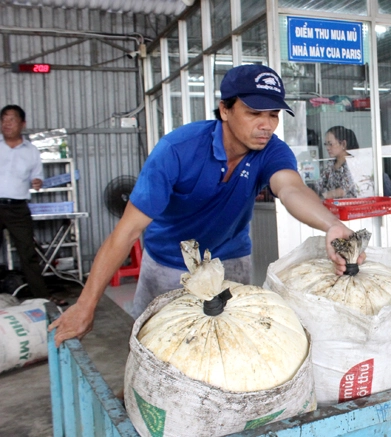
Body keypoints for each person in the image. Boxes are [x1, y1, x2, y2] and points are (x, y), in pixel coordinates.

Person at [49, 64, 360, 346]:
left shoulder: (271, 152)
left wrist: (331, 224)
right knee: (156, 345)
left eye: (274, 115)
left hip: (230, 259)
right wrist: (85, 305)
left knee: (228, 345)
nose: (267, 125)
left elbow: (291, 188)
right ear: (225, 109)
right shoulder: (177, 150)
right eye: (255, 113)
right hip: (169, 264)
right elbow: (126, 232)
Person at [0, 105, 64, 305]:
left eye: (11, 120)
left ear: (22, 124)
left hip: (18, 208)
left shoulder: (31, 151)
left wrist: (37, 182)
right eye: (3, 120)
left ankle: (42, 298)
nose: (6, 124)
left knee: (28, 254)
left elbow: (37, 177)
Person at [318, 125, 359, 199]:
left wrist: (323, 196)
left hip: (349, 207)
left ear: (343, 144)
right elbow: (320, 184)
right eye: (326, 144)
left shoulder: (353, 164)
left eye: (330, 144)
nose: (327, 148)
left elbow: (342, 190)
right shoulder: (331, 163)